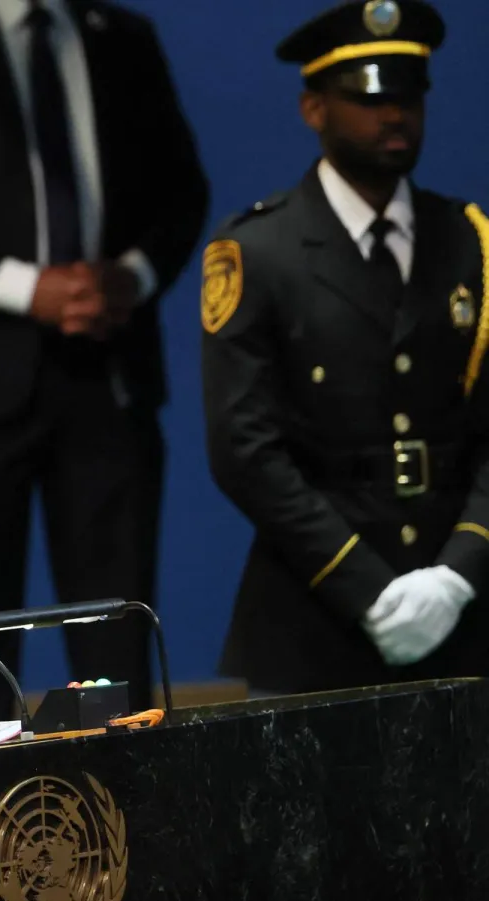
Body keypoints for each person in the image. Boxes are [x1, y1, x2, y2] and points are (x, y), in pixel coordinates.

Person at [0, 0, 208, 721]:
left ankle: (128, 817)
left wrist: (133, 277)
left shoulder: (125, 38)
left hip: (111, 373)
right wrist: (29, 289)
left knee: (119, 639)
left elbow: (183, 189)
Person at [203, 0, 489, 696]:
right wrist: (367, 589)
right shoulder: (258, 252)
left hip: (467, 613)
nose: (393, 115)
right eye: (368, 96)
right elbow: (245, 450)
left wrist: (459, 571)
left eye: (409, 95)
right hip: (317, 615)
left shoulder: (473, 243)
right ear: (314, 108)